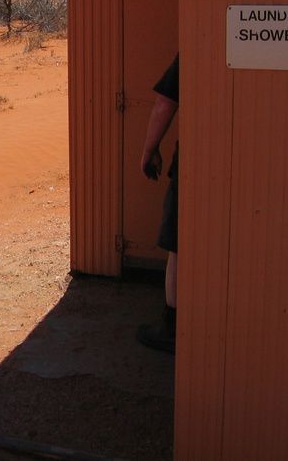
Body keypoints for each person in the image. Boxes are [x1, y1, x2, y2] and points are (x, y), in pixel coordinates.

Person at [137, 53, 179, 353]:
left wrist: (149, 150)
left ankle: (173, 327)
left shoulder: (196, 43)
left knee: (178, 244)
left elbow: (165, 102)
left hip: (197, 161)